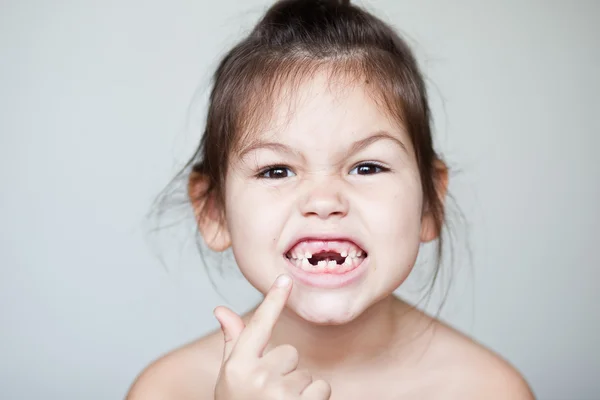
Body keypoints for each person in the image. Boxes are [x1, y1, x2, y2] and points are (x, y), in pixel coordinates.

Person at [127, 0, 534, 398]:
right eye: (276, 171)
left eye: (367, 167)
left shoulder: (489, 389)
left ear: (430, 203)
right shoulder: (168, 389)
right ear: (214, 212)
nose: (323, 201)